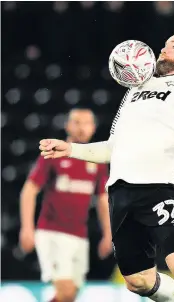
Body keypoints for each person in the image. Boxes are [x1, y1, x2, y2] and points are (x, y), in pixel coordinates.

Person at [39, 29, 174, 302]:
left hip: (161, 187)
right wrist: (71, 149)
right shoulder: (134, 90)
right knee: (138, 282)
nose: (163, 49)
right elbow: (113, 148)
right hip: (120, 193)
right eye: (164, 44)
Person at [19, 108, 112, 302]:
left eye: (86, 123)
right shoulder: (54, 154)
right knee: (66, 291)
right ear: (67, 125)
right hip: (52, 232)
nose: (81, 128)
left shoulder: (96, 159)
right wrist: (27, 228)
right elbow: (29, 190)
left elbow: (103, 198)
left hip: (79, 235)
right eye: (76, 122)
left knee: (71, 294)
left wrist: (108, 232)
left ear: (93, 128)